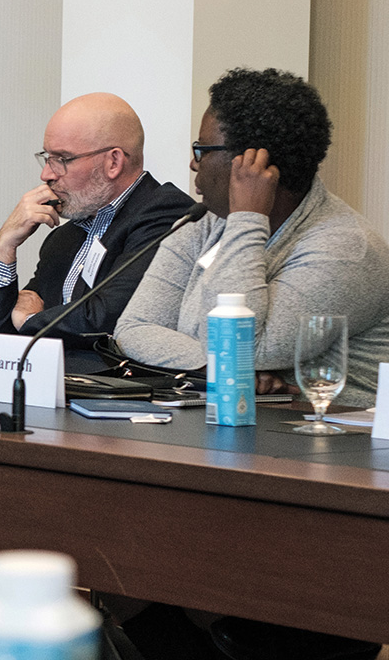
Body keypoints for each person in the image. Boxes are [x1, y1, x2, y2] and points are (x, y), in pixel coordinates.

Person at [115, 68, 389, 408]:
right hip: (239, 425)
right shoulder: (207, 221)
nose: (193, 163)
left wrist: (248, 218)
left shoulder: (346, 249)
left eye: (202, 149)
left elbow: (245, 348)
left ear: (251, 162)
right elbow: (133, 327)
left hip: (335, 443)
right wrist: (213, 366)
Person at [0, 92, 193, 348]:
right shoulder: (63, 237)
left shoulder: (166, 215)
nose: (46, 174)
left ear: (113, 162)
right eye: (47, 158)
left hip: (122, 385)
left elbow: (107, 320)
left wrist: (30, 319)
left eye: (62, 160)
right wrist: (5, 248)